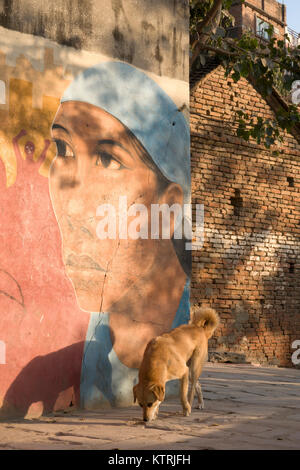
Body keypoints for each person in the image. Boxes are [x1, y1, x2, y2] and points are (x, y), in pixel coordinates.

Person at [49, 61, 191, 407]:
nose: (75, 208)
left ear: (167, 206)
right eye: (62, 150)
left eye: (108, 159)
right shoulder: (93, 341)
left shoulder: (184, 332)